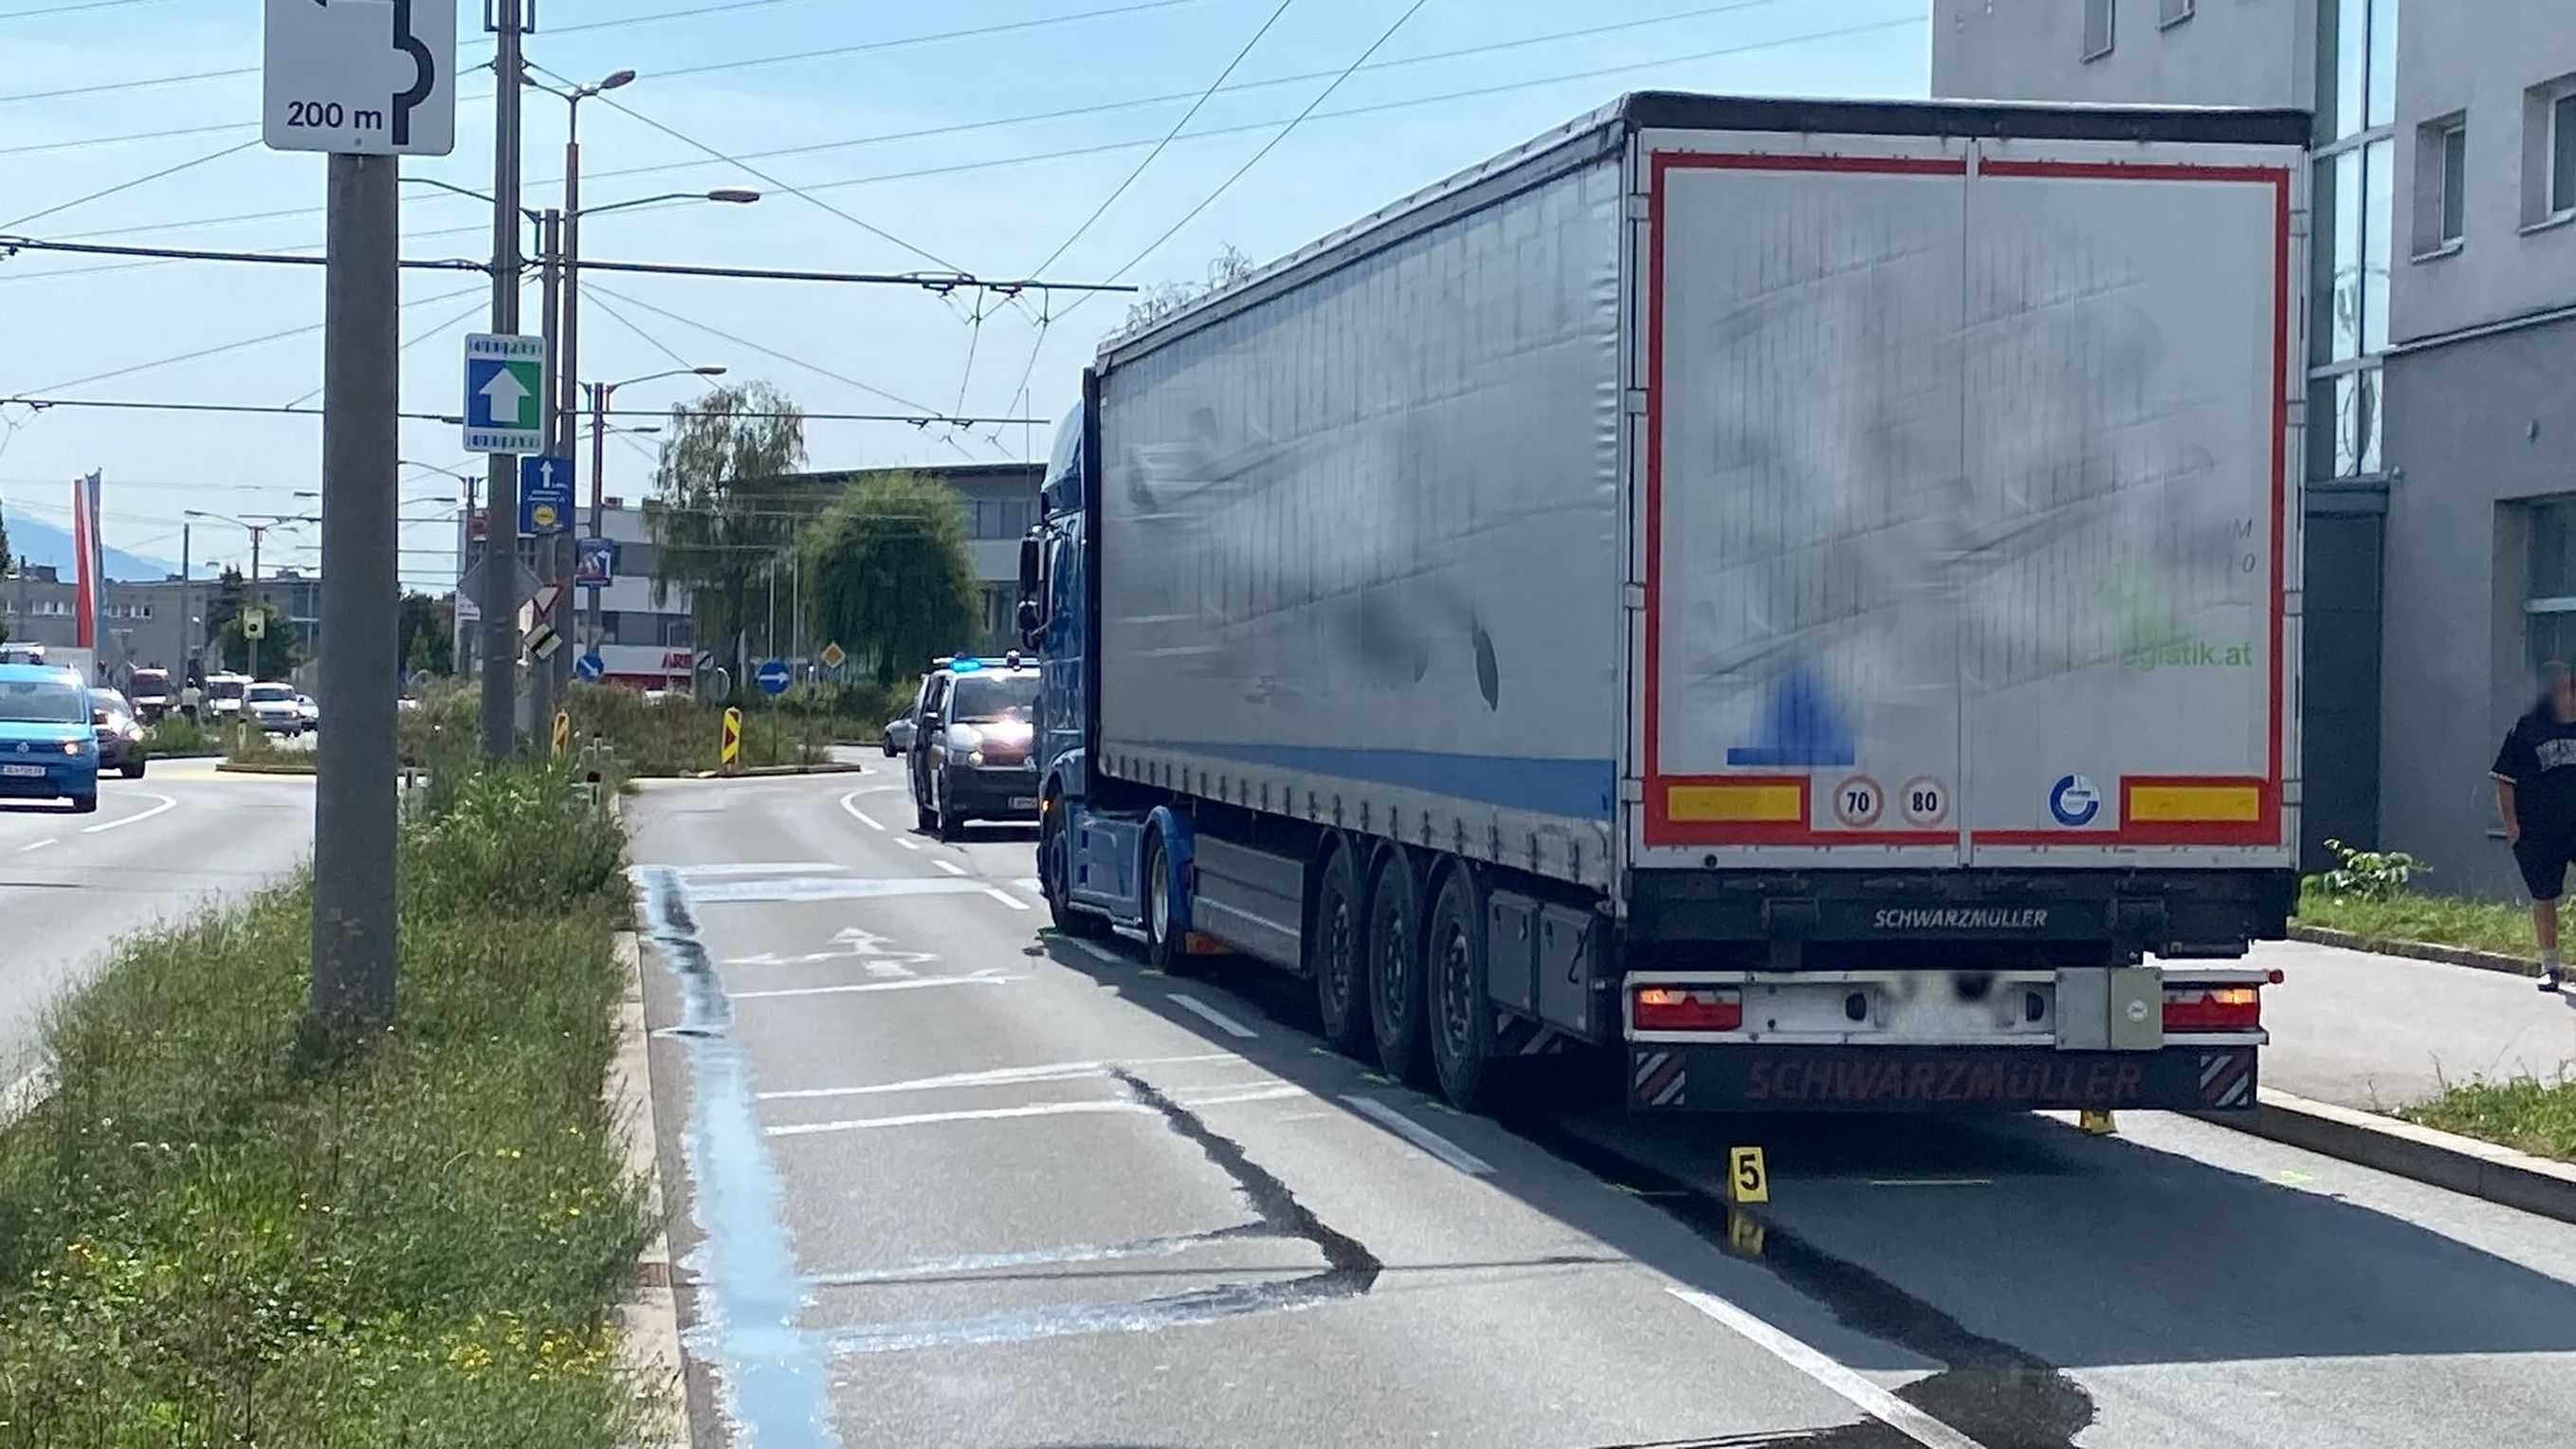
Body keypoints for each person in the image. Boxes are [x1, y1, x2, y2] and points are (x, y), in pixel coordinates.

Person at [2492, 659, 2576, 992]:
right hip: (2541, 829)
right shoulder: (2528, 728)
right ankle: (2550, 966)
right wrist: (2512, 826)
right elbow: (2503, 779)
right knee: (2544, 895)